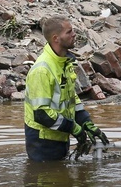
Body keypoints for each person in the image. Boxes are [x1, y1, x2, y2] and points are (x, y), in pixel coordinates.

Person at [24, 15, 109, 162]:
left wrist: (86, 122)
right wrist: (74, 128)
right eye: (69, 32)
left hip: (60, 134)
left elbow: (70, 98)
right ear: (56, 38)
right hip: (42, 141)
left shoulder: (65, 63)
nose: (74, 34)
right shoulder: (42, 70)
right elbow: (41, 113)